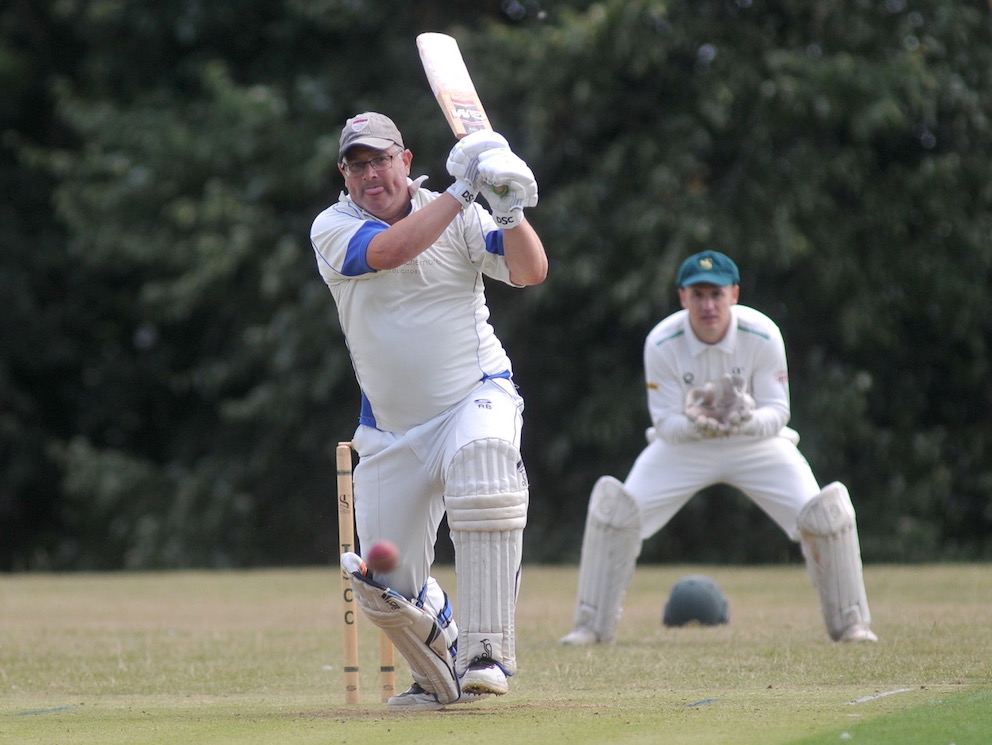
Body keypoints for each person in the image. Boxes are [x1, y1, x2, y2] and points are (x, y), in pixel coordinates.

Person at [310, 112, 547, 710]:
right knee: (381, 583)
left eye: (381, 159)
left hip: (475, 395)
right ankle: (438, 662)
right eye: (357, 163)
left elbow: (529, 271)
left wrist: (509, 209)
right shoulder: (332, 228)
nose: (371, 173)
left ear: (406, 161)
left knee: (486, 462)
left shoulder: (462, 211)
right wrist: (465, 189)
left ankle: (486, 652)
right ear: (344, 173)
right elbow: (389, 251)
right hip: (390, 431)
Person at [559, 250, 877, 646]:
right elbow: (664, 424)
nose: (708, 305)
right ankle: (590, 627)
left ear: (734, 294)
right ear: (683, 298)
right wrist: (696, 421)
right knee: (615, 511)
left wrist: (746, 419)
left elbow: (778, 412)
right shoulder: (662, 341)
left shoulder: (762, 334)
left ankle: (852, 625)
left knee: (825, 514)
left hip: (755, 443)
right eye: (698, 295)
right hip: (686, 448)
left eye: (716, 294)